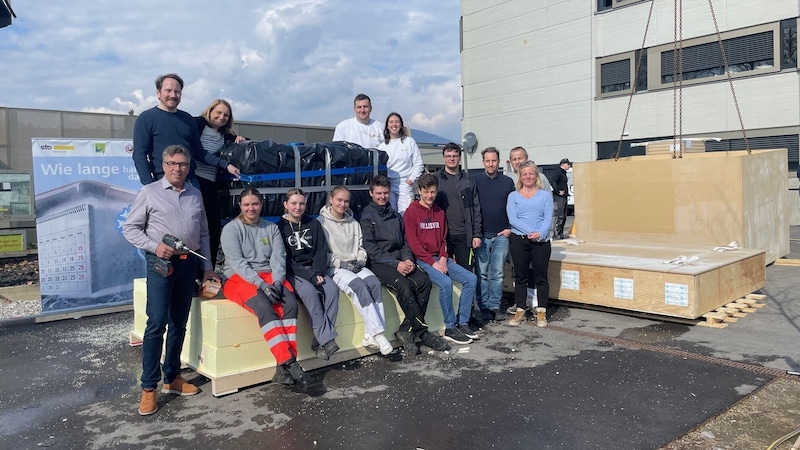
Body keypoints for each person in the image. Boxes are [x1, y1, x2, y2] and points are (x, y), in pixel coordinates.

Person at [123, 144, 220, 416]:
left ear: (189, 167)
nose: (178, 168)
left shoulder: (195, 194)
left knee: (179, 322)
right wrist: (155, 247)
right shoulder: (149, 193)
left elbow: (203, 234)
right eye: (173, 163)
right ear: (164, 165)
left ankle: (173, 378)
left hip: (189, 264)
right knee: (156, 324)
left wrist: (208, 268)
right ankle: (148, 388)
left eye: (183, 164)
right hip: (160, 264)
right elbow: (130, 228)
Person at [220, 187, 312, 392]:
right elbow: (237, 262)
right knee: (264, 307)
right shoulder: (231, 229)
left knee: (289, 303)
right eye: (246, 205)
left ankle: (283, 368)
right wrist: (261, 284)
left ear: (261, 204)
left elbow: (278, 258)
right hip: (239, 277)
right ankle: (289, 362)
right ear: (240, 206)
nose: (251, 208)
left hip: (270, 275)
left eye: (255, 204)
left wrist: (277, 282)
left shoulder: (271, 228)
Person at [360, 176, 451, 355]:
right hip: (380, 263)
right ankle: (422, 332)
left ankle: (406, 330)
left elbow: (405, 243)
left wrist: (408, 259)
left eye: (385, 193)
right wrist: (396, 264)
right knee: (405, 286)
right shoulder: (367, 216)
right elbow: (372, 250)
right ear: (371, 193)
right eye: (378, 193)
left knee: (424, 281)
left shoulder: (394, 215)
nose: (382, 196)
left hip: (401, 259)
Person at [317, 186, 393, 355]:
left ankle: (369, 334)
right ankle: (379, 334)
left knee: (373, 282)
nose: (343, 204)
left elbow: (361, 247)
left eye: (346, 201)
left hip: (355, 264)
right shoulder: (321, 223)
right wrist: (341, 264)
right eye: (339, 200)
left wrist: (360, 260)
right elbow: (323, 254)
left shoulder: (353, 222)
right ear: (331, 199)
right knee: (358, 285)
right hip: (336, 268)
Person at [404, 173, 477, 345]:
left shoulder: (439, 212)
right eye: (426, 192)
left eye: (433, 192)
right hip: (423, 260)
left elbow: (444, 240)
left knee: (471, 279)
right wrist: (434, 263)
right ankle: (450, 327)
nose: (430, 196)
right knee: (445, 283)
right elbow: (414, 245)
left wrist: (443, 258)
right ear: (420, 191)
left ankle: (463, 322)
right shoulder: (411, 212)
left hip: (440, 258)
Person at [133, 73, 240, 185]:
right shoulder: (146, 118)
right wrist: (149, 185)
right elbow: (140, 155)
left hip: (190, 183)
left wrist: (226, 165)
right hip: (162, 183)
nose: (173, 95)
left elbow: (199, 152)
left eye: (177, 91)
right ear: (158, 93)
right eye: (168, 91)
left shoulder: (188, 120)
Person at [277, 188, 340, 361]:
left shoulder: (314, 224)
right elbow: (286, 260)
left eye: (302, 203)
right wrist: (310, 277)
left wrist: (317, 272)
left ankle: (320, 342)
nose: (298, 207)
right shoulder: (279, 228)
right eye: (294, 203)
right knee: (310, 293)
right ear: (285, 205)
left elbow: (321, 252)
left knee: (332, 291)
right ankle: (327, 340)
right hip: (294, 272)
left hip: (314, 269)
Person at [435, 142, 484, 329]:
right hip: (444, 236)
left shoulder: (468, 180)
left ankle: (468, 314)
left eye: (455, 155)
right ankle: (447, 316)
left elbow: (477, 208)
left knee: (467, 274)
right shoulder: (437, 179)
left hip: (465, 234)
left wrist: (476, 233)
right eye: (448, 155)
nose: (452, 158)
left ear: (459, 157)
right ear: (444, 158)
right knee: (445, 274)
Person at [194, 99, 246, 269]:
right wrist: (225, 165)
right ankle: (193, 272)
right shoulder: (197, 124)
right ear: (210, 111)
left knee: (213, 227)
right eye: (218, 112)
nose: (222, 117)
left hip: (211, 183)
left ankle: (208, 270)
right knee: (194, 226)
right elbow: (198, 153)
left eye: (226, 115)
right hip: (194, 180)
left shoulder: (226, 135)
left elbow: (248, 143)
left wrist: (240, 139)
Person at [506, 146, 552, 314]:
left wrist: (540, 233)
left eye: (531, 174)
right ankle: (520, 306)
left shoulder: (544, 190)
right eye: (514, 159)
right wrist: (530, 232)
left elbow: (548, 215)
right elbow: (513, 217)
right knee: (520, 274)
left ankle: (540, 308)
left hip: (540, 238)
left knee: (540, 274)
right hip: (520, 238)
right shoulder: (511, 188)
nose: (527, 176)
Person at [472, 147, 515, 322]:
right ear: (483, 162)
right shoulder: (475, 181)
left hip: (501, 235)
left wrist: (510, 228)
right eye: (487, 161)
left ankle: (495, 306)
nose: (491, 164)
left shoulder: (507, 182)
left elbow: (514, 207)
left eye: (494, 160)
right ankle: (483, 306)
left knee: (497, 274)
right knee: (481, 273)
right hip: (481, 235)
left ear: (498, 161)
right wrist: (475, 233)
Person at [377, 112, 424, 215]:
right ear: (387, 126)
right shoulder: (382, 146)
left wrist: (411, 180)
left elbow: (418, 163)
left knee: (406, 214)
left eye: (397, 122)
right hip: (388, 184)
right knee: (391, 214)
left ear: (401, 125)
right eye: (391, 122)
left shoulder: (409, 142)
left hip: (405, 184)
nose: (394, 124)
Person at [552, 158, 572, 240]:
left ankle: (560, 233)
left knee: (563, 216)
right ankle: (556, 234)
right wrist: (558, 191)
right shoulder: (558, 172)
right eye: (568, 164)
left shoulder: (563, 173)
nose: (569, 166)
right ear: (563, 164)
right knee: (560, 216)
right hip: (559, 197)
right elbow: (553, 181)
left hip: (564, 197)